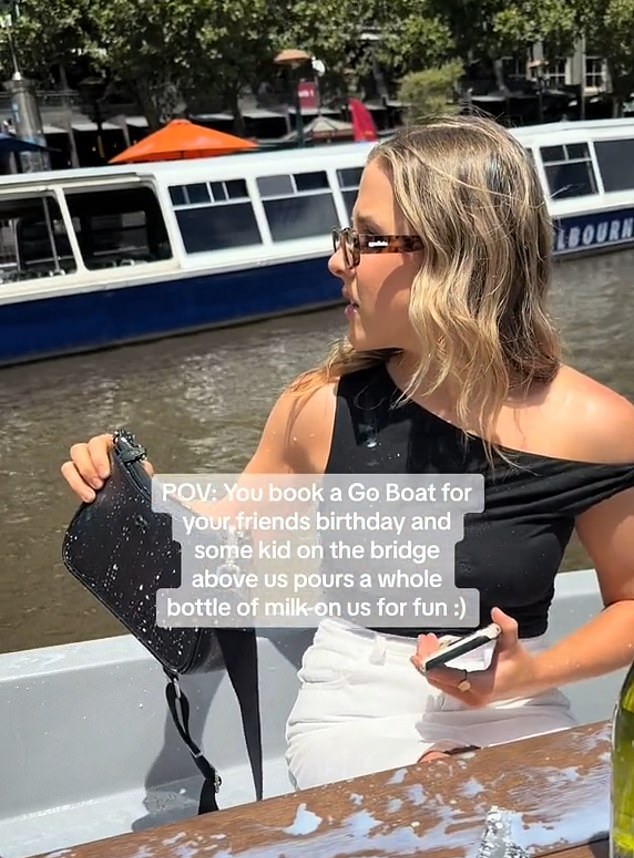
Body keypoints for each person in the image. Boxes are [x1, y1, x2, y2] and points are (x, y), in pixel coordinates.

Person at [62, 114, 634, 791]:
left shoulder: (597, 426)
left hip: (516, 706)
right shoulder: (321, 407)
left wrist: (533, 672)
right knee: (448, 798)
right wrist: (134, 492)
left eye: (364, 240)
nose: (337, 260)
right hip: (355, 709)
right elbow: (221, 550)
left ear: (455, 254)